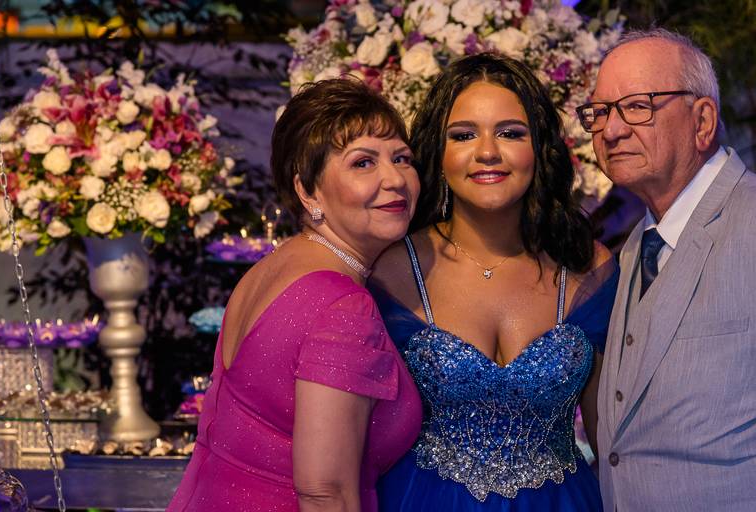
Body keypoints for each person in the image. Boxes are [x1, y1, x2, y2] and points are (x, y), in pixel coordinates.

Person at [370, 53, 618, 511]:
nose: (487, 152)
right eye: (464, 135)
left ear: (539, 148)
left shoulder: (587, 268)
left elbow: (611, 441)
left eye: (510, 133)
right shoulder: (391, 269)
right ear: (438, 153)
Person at [167, 78, 422, 512]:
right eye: (363, 163)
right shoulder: (344, 306)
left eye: (401, 158)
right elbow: (326, 494)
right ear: (307, 190)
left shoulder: (271, 269)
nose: (395, 178)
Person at [577, 28, 756, 511]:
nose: (611, 131)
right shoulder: (635, 247)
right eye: (600, 112)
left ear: (703, 121)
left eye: (638, 106)